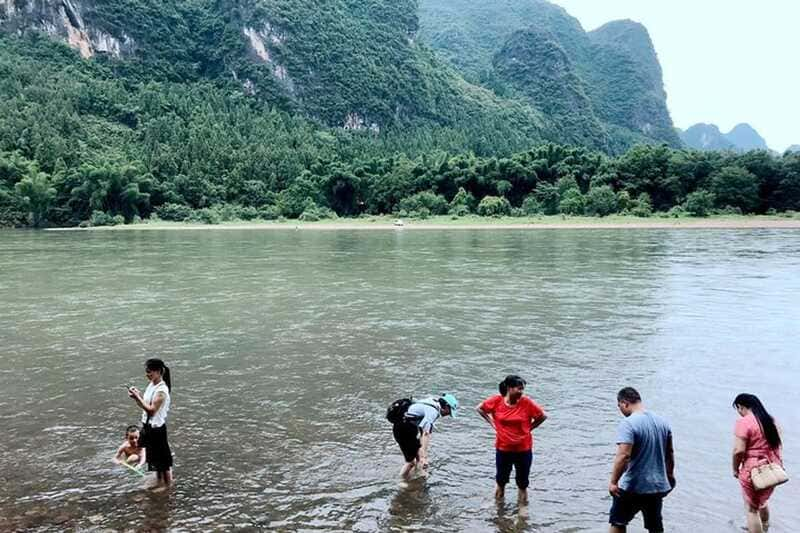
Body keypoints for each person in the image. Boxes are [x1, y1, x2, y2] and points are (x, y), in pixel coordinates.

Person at [608, 387, 675, 533]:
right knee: (655, 526)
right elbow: (669, 452)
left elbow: (623, 456)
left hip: (634, 485)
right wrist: (669, 475)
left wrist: (613, 482)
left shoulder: (628, 423)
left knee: (618, 522)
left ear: (624, 403)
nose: (620, 410)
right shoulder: (662, 422)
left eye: (619, 406)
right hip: (657, 485)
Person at [477, 375, 547, 506]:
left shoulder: (526, 402)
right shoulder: (497, 401)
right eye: (519, 388)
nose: (521, 392)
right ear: (509, 388)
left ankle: (522, 513)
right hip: (503, 449)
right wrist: (492, 423)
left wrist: (529, 429)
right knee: (501, 481)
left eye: (523, 389)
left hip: (523, 449)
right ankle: (499, 511)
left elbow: (542, 416)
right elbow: (480, 408)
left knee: (522, 483)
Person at [732, 393, 783, 533]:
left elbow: (738, 451)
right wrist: (778, 465)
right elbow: (778, 446)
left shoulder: (743, 422)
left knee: (751, 509)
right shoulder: (771, 420)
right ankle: (765, 527)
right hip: (773, 468)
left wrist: (735, 469)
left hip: (753, 469)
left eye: (737, 409)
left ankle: (756, 529)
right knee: (762, 501)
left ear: (740, 406)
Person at [128, 358, 173, 486]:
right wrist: (136, 397)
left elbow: (152, 410)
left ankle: (168, 486)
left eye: (150, 372)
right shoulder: (152, 384)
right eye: (146, 372)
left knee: (163, 462)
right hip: (148, 427)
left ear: (158, 371)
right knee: (154, 460)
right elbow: (145, 406)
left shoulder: (161, 390)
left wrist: (137, 398)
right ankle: (159, 482)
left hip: (157, 429)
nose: (147, 375)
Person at [392, 394, 458, 480]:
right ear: (446, 406)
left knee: (419, 459)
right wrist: (424, 456)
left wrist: (422, 454)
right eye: (449, 412)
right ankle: (401, 481)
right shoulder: (433, 411)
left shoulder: (431, 402)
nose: (448, 414)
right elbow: (426, 433)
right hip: (403, 430)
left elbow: (422, 429)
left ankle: (417, 477)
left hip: (405, 428)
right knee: (411, 462)